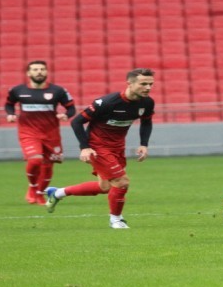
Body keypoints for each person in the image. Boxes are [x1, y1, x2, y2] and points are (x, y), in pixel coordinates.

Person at [44, 68, 155, 229]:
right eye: (143, 84)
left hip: (117, 147)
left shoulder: (147, 102)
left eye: (150, 84)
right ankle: (116, 219)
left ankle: (57, 193)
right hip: (97, 147)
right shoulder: (107, 102)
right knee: (122, 181)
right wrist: (85, 147)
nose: (148, 88)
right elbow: (77, 122)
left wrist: (144, 144)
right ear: (129, 83)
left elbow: (146, 121)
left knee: (106, 187)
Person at [5, 60, 76, 205]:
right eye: (35, 69)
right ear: (28, 73)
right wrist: (10, 113)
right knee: (35, 160)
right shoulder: (17, 90)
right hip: (28, 132)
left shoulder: (58, 91)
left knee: (48, 164)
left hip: (51, 133)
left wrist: (66, 115)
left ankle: (39, 193)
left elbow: (71, 108)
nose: (39, 72)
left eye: (42, 69)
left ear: (47, 72)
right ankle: (32, 187)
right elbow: (9, 104)